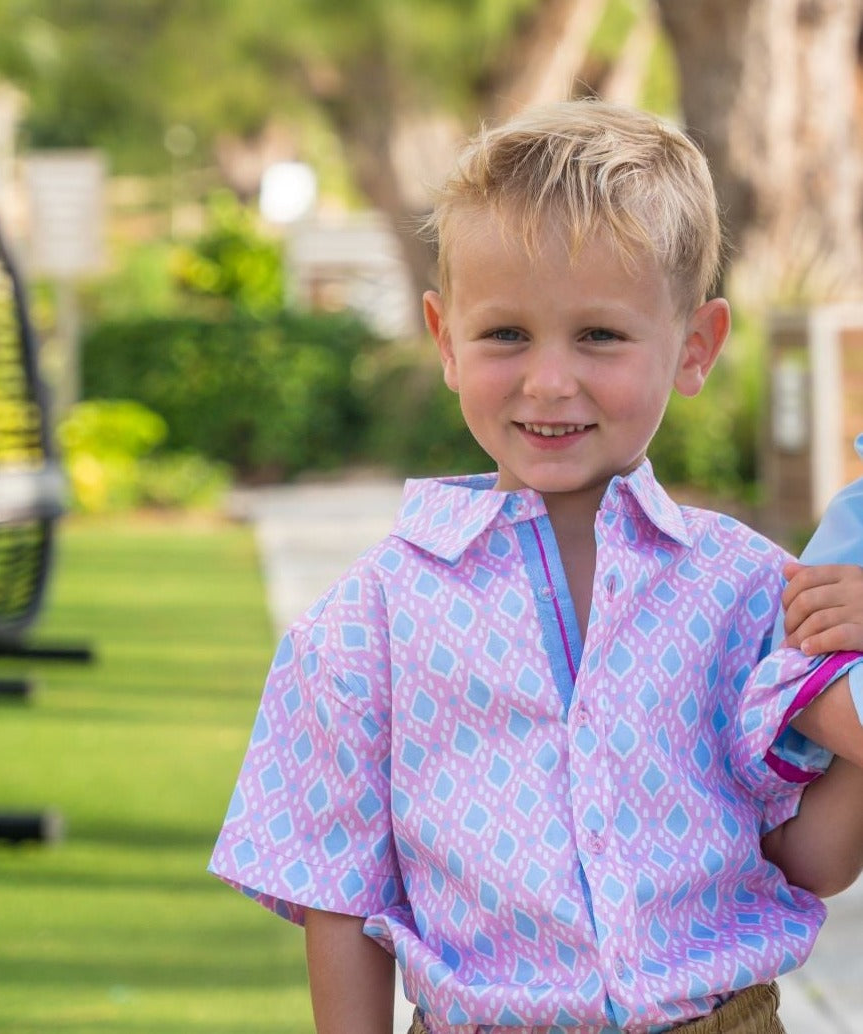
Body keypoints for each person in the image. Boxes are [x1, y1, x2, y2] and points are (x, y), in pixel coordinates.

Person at [209, 100, 863, 1034]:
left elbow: (816, 863)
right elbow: (338, 897)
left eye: (599, 335)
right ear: (444, 338)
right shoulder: (371, 621)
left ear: (696, 347)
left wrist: (855, 671)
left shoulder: (754, 592)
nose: (549, 381)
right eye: (506, 334)